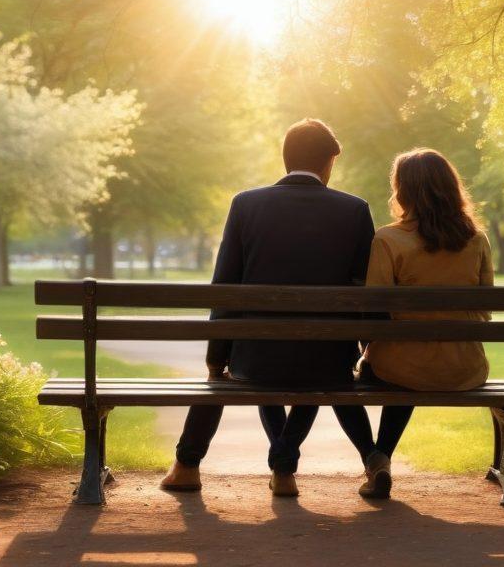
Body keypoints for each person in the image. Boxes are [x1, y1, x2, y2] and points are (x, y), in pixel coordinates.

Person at [160, 119, 376, 497]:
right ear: (328, 163)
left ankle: (188, 466)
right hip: (328, 361)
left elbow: (223, 288)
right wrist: (360, 352)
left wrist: (216, 359)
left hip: (256, 357)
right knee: (315, 364)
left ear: (285, 159)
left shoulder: (246, 204)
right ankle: (283, 465)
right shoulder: (355, 210)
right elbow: (365, 292)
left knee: (239, 371)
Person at [337, 148, 493, 500]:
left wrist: (367, 353)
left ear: (402, 190)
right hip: (464, 369)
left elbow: (373, 312)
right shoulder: (477, 239)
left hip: (403, 368)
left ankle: (376, 460)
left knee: (390, 366)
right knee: (409, 361)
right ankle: (380, 461)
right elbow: (485, 309)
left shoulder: (388, 239)